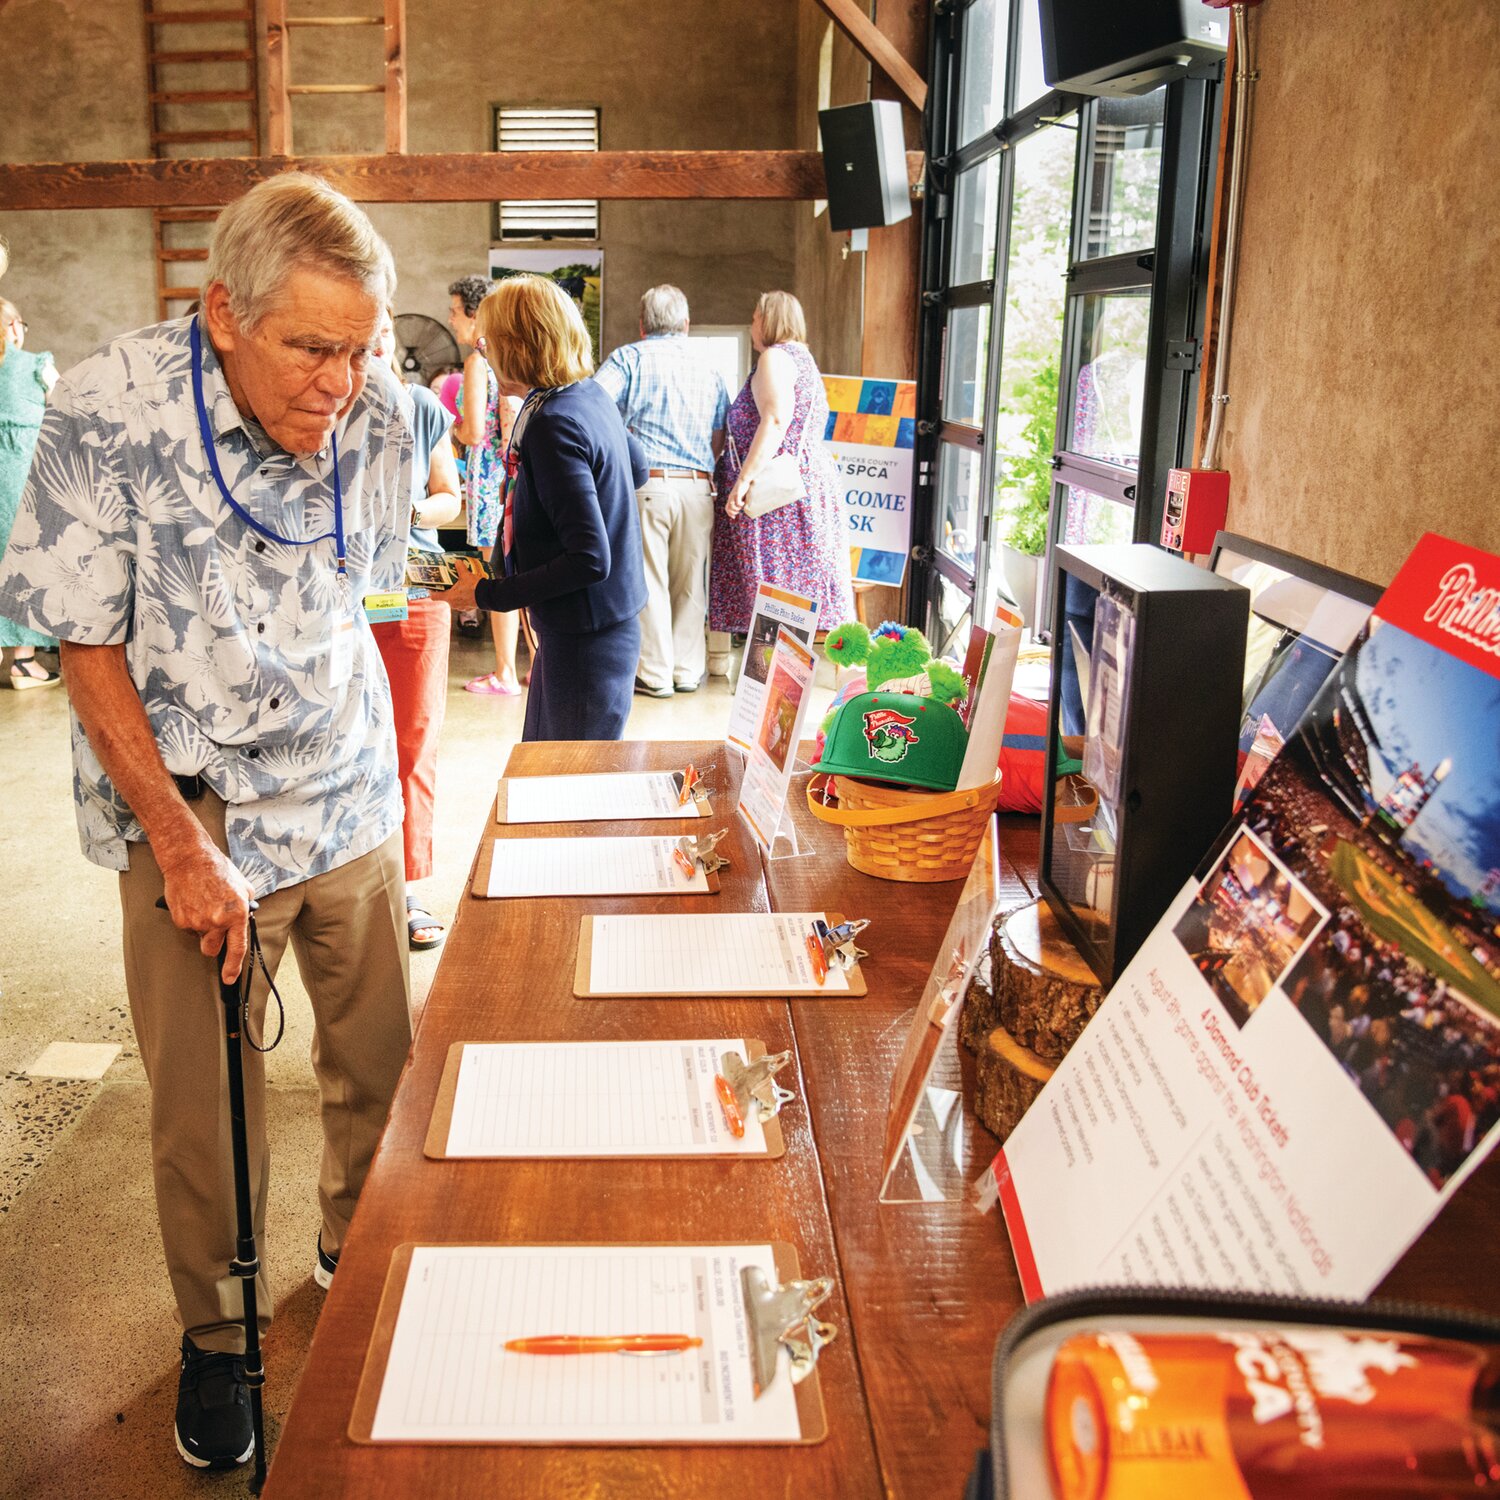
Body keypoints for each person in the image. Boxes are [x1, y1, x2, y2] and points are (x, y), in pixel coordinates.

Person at [0, 172, 415, 1472]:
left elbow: (377, 601)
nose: (339, 383)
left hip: (343, 794)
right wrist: (178, 841)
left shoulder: (377, 411)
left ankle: (358, 1259)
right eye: (310, 348)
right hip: (193, 806)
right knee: (204, 1107)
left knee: (383, 1067)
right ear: (221, 313)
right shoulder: (102, 411)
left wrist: (401, 774)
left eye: (357, 349)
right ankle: (222, 1338)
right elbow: (85, 638)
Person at [442, 275, 647, 741]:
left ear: (519, 345)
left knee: (569, 787)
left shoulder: (554, 421)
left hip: (587, 638)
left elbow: (590, 558)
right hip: (588, 629)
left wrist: (487, 595)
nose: (482, 349)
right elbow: (635, 467)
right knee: (545, 766)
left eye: (488, 340)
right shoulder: (583, 395)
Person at [370, 308, 462, 951]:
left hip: (414, 583)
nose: (374, 345)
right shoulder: (319, 405)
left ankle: (404, 883)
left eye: (380, 333)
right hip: (338, 592)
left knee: (413, 738)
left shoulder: (424, 404)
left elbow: (448, 497)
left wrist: (407, 510)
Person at [594, 284, 728, 698]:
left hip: (646, 483)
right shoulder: (710, 367)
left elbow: (594, 404)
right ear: (686, 325)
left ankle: (653, 673)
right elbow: (719, 435)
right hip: (699, 487)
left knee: (647, 578)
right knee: (690, 583)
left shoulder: (629, 358)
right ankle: (687, 671)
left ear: (642, 324)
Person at [709, 290, 854, 634]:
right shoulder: (803, 359)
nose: (752, 324)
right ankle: (776, 680)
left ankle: (772, 680)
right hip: (798, 488)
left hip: (777, 499)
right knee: (792, 591)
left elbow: (775, 420)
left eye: (756, 317)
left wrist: (742, 481)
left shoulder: (775, 358)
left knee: (777, 592)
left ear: (770, 320)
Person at [447, 274, 522, 693]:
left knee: (498, 575)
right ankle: (526, 665)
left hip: (490, 476)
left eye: (455, 311)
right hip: (508, 473)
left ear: (475, 314)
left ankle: (504, 672)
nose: (451, 320)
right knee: (514, 570)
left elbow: (474, 431)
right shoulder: (505, 357)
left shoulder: (477, 361)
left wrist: (450, 428)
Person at [0, 297, 61, 687]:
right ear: (14, 327)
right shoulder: (35, 365)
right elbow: (67, 407)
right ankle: (24, 662)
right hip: (23, 477)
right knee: (26, 560)